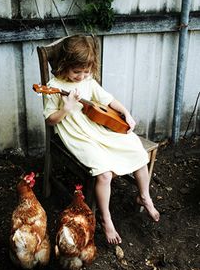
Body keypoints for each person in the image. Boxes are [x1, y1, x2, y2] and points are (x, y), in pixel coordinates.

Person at [43, 35, 160, 245]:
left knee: (135, 148)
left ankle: (144, 196)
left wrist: (126, 113)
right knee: (104, 173)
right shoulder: (53, 86)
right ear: (64, 65)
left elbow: (108, 99)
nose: (81, 76)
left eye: (86, 71)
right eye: (76, 71)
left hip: (97, 129)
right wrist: (66, 108)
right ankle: (106, 220)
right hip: (76, 135)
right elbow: (51, 120)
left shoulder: (88, 81)